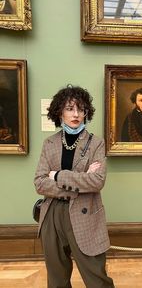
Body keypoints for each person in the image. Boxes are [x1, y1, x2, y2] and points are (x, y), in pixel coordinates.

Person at [34, 85, 114, 288]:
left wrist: (58, 175)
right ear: (59, 112)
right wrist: (80, 180)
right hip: (52, 214)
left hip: (85, 215)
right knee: (57, 278)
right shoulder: (49, 143)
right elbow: (40, 182)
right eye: (70, 108)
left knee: (97, 278)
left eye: (80, 109)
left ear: (87, 112)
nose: (76, 114)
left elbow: (97, 181)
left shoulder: (96, 143)